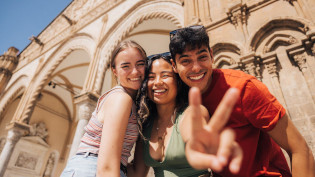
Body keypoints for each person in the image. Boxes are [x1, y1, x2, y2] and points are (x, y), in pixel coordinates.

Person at [169, 25, 315, 177]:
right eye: (186, 61)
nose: (196, 68)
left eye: (202, 57)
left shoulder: (243, 87)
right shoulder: (181, 97)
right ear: (174, 66)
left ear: (212, 56)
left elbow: (299, 149)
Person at [127, 52, 242, 177]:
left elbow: (193, 136)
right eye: (151, 77)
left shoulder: (191, 112)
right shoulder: (146, 123)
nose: (157, 82)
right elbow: (136, 173)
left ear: (178, 80)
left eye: (165, 75)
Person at [60, 40, 147, 177]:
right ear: (115, 71)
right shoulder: (121, 98)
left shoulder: (133, 104)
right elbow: (106, 168)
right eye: (126, 66)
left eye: (140, 64)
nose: (135, 71)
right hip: (92, 169)